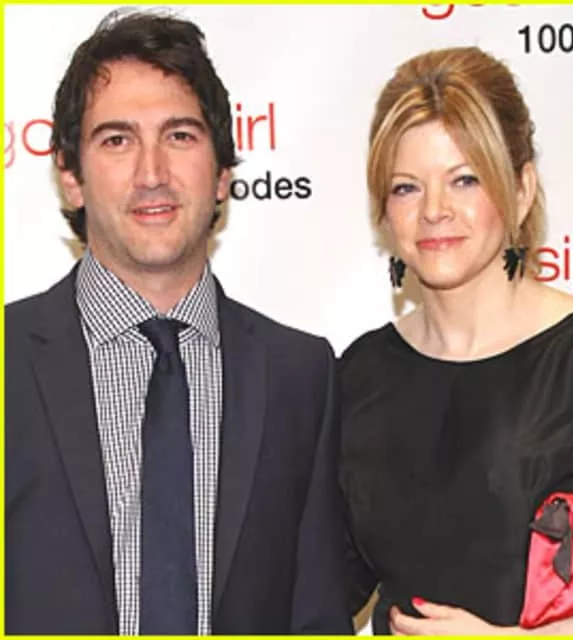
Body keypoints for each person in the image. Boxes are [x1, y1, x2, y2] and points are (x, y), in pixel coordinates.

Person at [5, 10, 352, 635]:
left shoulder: (301, 375)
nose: (152, 174)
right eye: (117, 140)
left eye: (181, 136)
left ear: (222, 173)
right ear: (70, 177)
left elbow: (316, 617)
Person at [340, 46, 573, 635]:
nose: (435, 211)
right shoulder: (361, 373)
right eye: (406, 188)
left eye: (465, 179)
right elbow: (325, 585)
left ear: (521, 190)